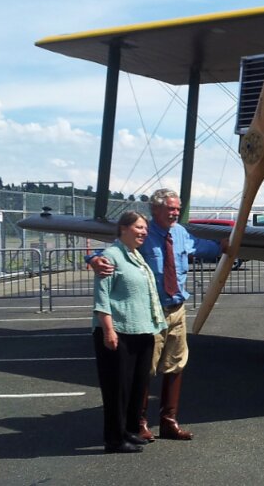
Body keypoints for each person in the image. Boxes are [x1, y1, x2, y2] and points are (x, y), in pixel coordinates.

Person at [91, 188, 226, 441]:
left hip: (177, 310)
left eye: (178, 208)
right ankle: (139, 422)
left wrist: (224, 245)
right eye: (170, 209)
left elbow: (201, 247)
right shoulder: (143, 234)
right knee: (146, 368)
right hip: (151, 313)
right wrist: (94, 259)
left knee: (176, 364)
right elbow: (114, 253)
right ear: (155, 210)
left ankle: (169, 422)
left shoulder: (181, 233)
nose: (175, 213)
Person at [92, 211, 166, 454]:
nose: (144, 232)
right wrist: (108, 331)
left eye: (145, 228)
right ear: (123, 228)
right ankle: (114, 439)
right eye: (138, 227)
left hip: (142, 329)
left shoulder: (135, 255)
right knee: (117, 389)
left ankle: (129, 431)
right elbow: (102, 297)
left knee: (136, 385)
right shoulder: (110, 256)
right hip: (120, 332)